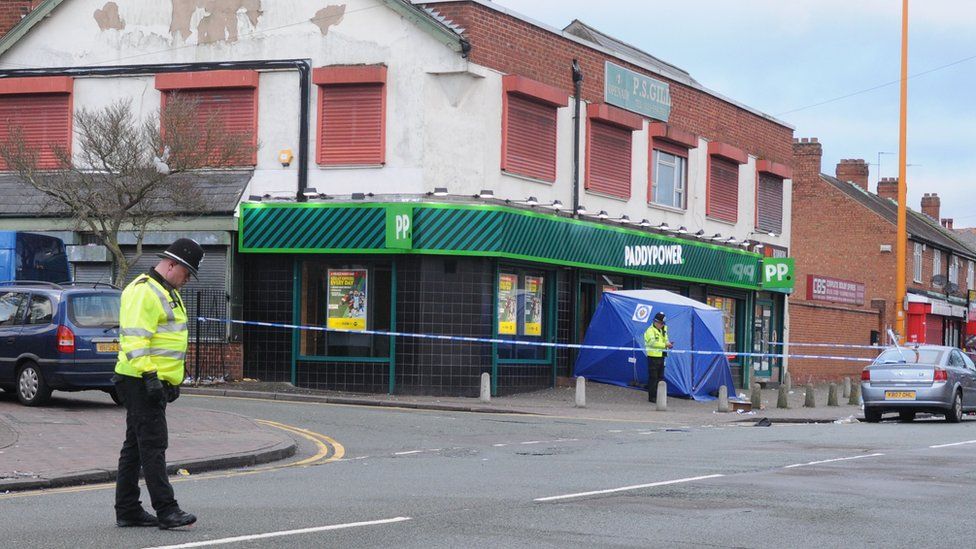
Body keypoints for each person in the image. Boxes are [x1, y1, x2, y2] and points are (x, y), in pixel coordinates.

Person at [113, 238, 203, 530]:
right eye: (186, 273)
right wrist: (151, 377)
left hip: (150, 379)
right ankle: (167, 510)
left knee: (136, 447)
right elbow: (135, 339)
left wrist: (173, 378)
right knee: (153, 445)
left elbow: (169, 340)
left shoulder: (166, 291)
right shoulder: (144, 291)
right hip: (140, 379)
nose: (187, 280)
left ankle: (127, 509)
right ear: (171, 264)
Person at [643, 311, 673, 403]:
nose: (661, 325)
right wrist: (665, 345)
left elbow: (666, 340)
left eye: (663, 323)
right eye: (660, 323)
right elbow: (653, 343)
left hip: (662, 356)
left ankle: (659, 397)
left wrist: (668, 344)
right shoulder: (650, 331)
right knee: (653, 378)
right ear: (655, 321)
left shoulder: (663, 330)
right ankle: (652, 397)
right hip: (653, 357)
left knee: (660, 378)